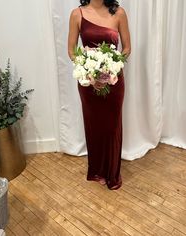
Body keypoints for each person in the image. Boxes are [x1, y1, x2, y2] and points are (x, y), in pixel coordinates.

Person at [68, 0, 131, 190]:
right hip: (88, 83)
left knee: (112, 126)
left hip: (113, 81)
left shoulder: (119, 13)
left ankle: (112, 173)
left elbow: (127, 48)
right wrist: (89, 70)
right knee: (94, 124)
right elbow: (71, 51)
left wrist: (112, 66)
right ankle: (97, 170)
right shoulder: (77, 14)